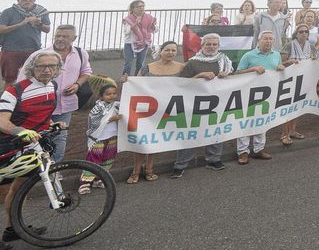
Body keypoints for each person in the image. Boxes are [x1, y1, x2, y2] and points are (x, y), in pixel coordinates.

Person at [0, 49, 61, 250]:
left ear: (57, 69)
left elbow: (40, 114)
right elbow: (2, 121)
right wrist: (20, 131)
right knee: (4, 189)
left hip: (30, 146)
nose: (47, 70)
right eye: (41, 66)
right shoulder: (15, 90)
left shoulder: (53, 86)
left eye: (51, 66)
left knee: (19, 189)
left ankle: (13, 229)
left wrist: (50, 124)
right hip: (6, 144)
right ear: (32, 68)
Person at [171, 34, 233, 178]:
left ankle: (214, 159)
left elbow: (233, 80)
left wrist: (227, 76)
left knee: (215, 131)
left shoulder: (225, 61)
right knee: (191, 133)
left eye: (214, 44)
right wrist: (200, 76)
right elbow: (182, 84)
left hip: (217, 104)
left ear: (219, 46)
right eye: (208, 44)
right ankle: (180, 164)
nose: (211, 47)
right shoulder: (193, 63)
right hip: (194, 104)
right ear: (202, 45)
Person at [131, 40, 184, 182]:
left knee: (155, 140)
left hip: (167, 110)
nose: (170, 53)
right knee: (142, 140)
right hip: (147, 111)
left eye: (173, 50)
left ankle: (149, 168)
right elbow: (135, 85)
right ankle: (136, 170)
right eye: (167, 50)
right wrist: (127, 81)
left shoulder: (182, 68)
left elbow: (191, 84)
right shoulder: (147, 68)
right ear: (160, 51)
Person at [45, 24, 93, 163]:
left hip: (66, 104)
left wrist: (77, 84)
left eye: (65, 36)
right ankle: (38, 169)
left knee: (60, 136)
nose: (60, 39)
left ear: (74, 38)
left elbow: (86, 72)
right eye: (57, 36)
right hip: (44, 104)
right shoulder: (42, 54)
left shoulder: (81, 53)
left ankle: (55, 168)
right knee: (41, 135)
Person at [233, 32, 282, 163]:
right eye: (265, 39)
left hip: (267, 94)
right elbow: (237, 73)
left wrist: (281, 67)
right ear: (259, 41)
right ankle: (243, 152)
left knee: (262, 121)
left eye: (271, 39)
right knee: (245, 121)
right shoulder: (248, 55)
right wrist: (253, 69)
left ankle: (258, 149)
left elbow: (278, 69)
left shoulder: (276, 55)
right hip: (248, 94)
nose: (268, 41)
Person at [0, 0, 51, 84]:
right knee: (10, 80)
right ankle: (8, 94)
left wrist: (39, 23)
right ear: (18, 0)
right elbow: (1, 29)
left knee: (33, 79)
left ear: (34, 0)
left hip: (33, 50)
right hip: (11, 51)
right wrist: (21, 24)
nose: (28, 1)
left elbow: (47, 29)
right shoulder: (8, 12)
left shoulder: (41, 12)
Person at [78, 83, 120, 195]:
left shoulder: (117, 105)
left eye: (114, 93)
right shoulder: (97, 107)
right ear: (101, 96)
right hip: (98, 138)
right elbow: (94, 120)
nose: (111, 96)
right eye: (108, 94)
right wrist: (110, 119)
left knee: (108, 159)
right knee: (94, 159)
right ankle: (85, 182)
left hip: (113, 136)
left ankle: (99, 178)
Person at [121, 0, 157, 80]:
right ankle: (125, 80)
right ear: (133, 8)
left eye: (143, 6)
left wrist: (153, 26)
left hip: (144, 43)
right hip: (130, 43)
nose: (141, 8)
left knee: (140, 64)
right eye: (139, 7)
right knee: (128, 64)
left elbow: (154, 30)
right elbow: (126, 32)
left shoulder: (149, 17)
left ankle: (137, 80)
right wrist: (133, 26)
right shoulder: (129, 19)